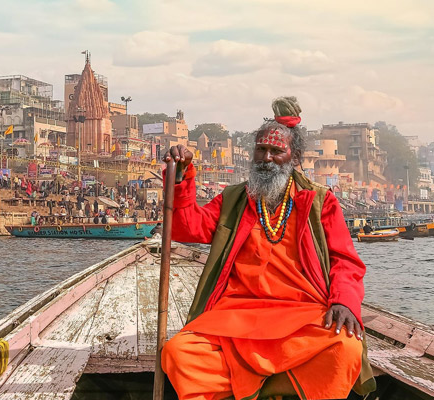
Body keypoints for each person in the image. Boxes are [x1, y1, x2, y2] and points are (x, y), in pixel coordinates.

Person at [160, 97, 373, 400]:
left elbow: (346, 261)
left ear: (294, 156)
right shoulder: (234, 199)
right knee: (179, 353)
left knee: (346, 348)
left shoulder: (319, 201)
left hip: (302, 314)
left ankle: (254, 388)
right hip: (235, 315)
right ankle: (281, 384)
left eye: (277, 151)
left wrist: (344, 302)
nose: (267, 158)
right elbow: (186, 228)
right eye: (261, 150)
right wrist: (181, 177)